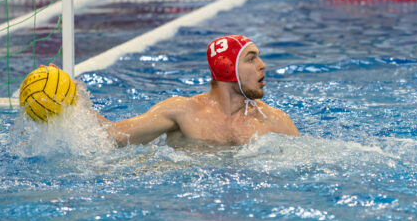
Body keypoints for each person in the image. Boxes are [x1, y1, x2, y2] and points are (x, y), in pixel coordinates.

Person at [97, 35, 300, 147]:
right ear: (226, 68)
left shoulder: (274, 121)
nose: (262, 65)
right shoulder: (184, 113)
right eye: (251, 59)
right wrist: (74, 101)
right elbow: (115, 137)